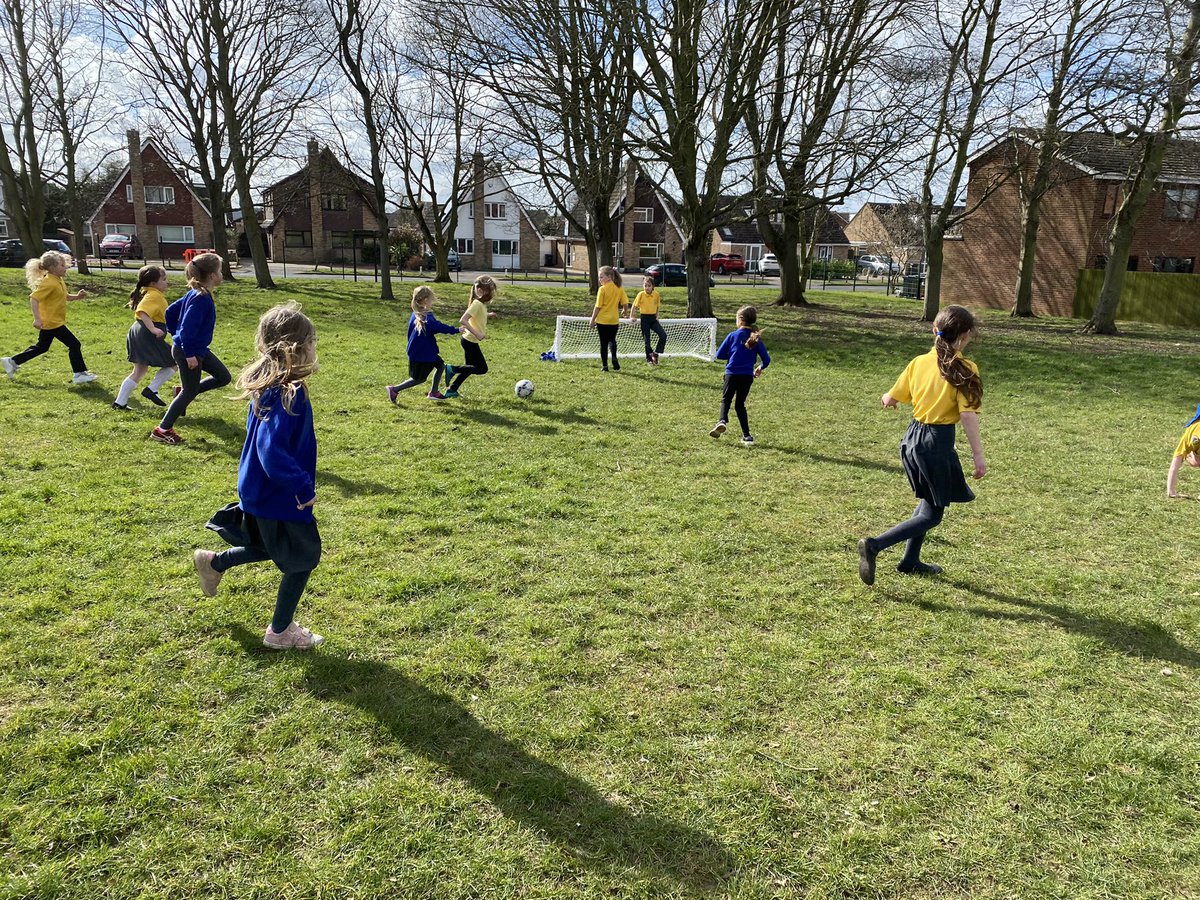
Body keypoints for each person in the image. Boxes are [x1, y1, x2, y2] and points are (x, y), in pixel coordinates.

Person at [192, 302, 325, 650]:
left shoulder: (267, 386)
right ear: (297, 347)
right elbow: (270, 449)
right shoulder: (290, 392)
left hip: (256, 489)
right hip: (278, 493)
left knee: (270, 546)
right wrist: (301, 486)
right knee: (301, 558)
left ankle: (215, 562)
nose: (315, 348)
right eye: (312, 341)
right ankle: (280, 631)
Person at [858, 304, 986, 585]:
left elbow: (891, 398)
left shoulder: (918, 362)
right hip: (937, 443)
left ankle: (910, 561)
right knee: (932, 514)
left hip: (912, 440)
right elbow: (967, 415)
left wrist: (887, 399)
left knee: (928, 500)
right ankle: (874, 545)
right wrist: (978, 455)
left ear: (934, 329)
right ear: (966, 335)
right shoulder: (965, 369)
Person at [151, 252, 230, 445]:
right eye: (220, 271)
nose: (222, 274)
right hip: (189, 351)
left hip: (195, 348)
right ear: (212, 275)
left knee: (223, 377)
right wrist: (187, 351)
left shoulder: (197, 293)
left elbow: (170, 312)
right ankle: (162, 430)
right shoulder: (201, 298)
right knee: (190, 390)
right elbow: (187, 328)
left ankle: (183, 393)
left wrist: (175, 334)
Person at [1, 251, 97, 383]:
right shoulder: (49, 282)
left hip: (53, 321)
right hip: (51, 322)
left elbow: (65, 296)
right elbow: (34, 298)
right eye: (62, 265)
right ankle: (79, 374)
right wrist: (37, 319)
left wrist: (77, 297)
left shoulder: (58, 280)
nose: (65, 267)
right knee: (74, 344)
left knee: (42, 347)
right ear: (52, 268)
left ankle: (12, 361)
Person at [113, 265, 178, 411]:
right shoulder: (154, 295)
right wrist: (153, 328)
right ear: (153, 283)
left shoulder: (150, 293)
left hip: (139, 332)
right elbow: (142, 312)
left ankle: (120, 403)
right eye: (163, 279)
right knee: (176, 360)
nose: (166, 282)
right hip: (147, 334)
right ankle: (152, 389)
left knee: (139, 370)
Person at [386, 286, 464, 402]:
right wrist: (456, 330)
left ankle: (434, 392)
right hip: (422, 354)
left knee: (440, 366)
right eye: (432, 299)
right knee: (419, 379)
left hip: (423, 351)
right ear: (426, 300)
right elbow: (439, 327)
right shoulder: (426, 317)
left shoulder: (417, 314)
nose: (432, 302)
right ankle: (394, 389)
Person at [710, 305, 769, 447]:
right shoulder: (756, 338)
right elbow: (766, 360)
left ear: (741, 320)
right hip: (747, 376)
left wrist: (733, 354)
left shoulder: (732, 335)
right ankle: (747, 436)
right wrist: (759, 367)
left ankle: (722, 421)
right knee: (740, 405)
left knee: (726, 399)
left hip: (731, 374)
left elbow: (719, 355)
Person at [444, 275, 497, 398]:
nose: (491, 294)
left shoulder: (481, 304)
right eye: (489, 290)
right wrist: (477, 333)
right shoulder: (477, 303)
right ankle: (452, 369)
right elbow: (463, 320)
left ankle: (451, 390)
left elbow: (478, 315)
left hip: (469, 340)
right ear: (480, 290)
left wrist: (488, 314)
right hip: (469, 341)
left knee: (469, 368)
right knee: (482, 368)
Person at [588, 265, 628, 371]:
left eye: (601, 277)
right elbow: (625, 302)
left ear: (609, 277)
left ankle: (605, 366)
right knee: (612, 340)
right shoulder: (619, 288)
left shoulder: (602, 289)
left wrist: (592, 319)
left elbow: (598, 306)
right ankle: (614, 357)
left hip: (602, 320)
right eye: (599, 277)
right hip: (614, 320)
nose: (599, 279)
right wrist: (624, 311)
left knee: (603, 343)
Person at [631, 274, 667, 364]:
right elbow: (634, 306)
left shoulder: (656, 295)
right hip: (644, 319)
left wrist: (657, 315)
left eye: (649, 286)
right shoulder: (641, 294)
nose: (647, 288)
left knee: (663, 335)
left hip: (653, 319)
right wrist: (632, 316)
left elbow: (657, 306)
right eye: (645, 285)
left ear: (653, 286)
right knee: (647, 341)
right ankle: (649, 359)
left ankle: (655, 353)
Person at [1166, 405, 1200, 498]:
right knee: (1196, 462)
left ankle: (1171, 491)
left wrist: (1171, 491)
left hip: (1193, 435)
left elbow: (1176, 461)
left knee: (1178, 459)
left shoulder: (1191, 429)